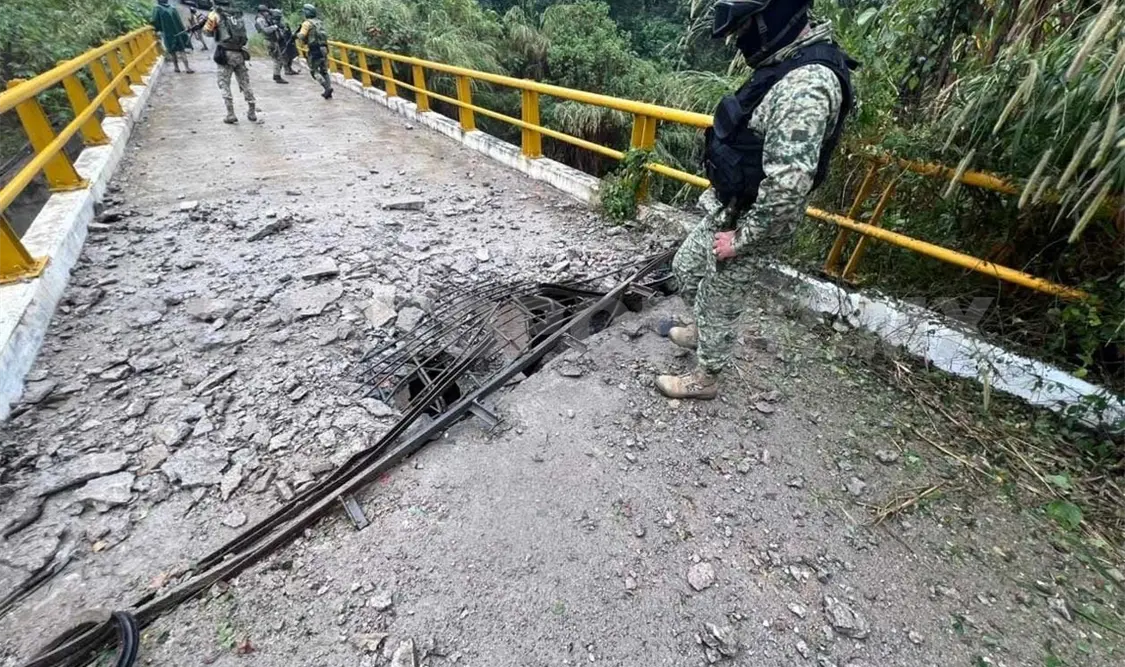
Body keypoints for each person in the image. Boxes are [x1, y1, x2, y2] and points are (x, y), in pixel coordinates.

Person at [654, 0, 856, 400]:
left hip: (753, 219)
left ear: (772, 20)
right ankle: (702, 331)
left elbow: (787, 189)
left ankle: (707, 377)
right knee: (687, 269)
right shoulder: (787, 61)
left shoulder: (806, 85)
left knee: (721, 296)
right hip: (733, 204)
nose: (739, 40)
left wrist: (742, 239)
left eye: (743, 28)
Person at [204, 0, 257, 124]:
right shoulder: (237, 13)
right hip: (239, 53)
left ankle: (230, 113)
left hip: (225, 54)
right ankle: (252, 111)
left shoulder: (215, 14)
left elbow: (207, 32)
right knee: (245, 82)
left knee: (224, 83)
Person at [296, 4, 333, 99]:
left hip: (314, 49)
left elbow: (302, 36)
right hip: (324, 48)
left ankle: (326, 88)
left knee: (314, 71)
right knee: (324, 71)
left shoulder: (306, 23)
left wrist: (296, 34)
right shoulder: (319, 22)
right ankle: (328, 90)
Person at [151, 0, 194, 73]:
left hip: (168, 33)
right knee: (181, 50)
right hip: (178, 32)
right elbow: (179, 21)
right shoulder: (173, 8)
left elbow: (155, 21)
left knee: (172, 51)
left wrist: (156, 29)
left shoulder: (157, 9)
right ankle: (187, 68)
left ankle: (176, 67)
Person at [254, 4, 288, 84]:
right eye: (266, 12)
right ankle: (277, 76)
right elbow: (265, 31)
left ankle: (277, 75)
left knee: (278, 59)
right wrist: (275, 27)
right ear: (262, 12)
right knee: (277, 59)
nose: (268, 13)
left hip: (273, 40)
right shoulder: (260, 20)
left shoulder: (265, 18)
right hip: (269, 41)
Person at [274, 9, 300, 75]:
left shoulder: (281, 24)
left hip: (286, 41)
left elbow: (287, 32)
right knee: (285, 56)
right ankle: (286, 70)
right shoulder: (275, 24)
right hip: (282, 42)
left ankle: (289, 69)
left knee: (289, 55)